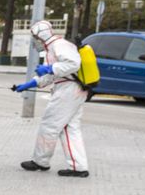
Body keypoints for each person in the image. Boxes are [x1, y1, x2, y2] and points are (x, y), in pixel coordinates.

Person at [13, 19, 90, 177]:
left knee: (49, 125)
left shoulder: (59, 45)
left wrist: (50, 67)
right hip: (73, 89)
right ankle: (79, 167)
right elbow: (50, 76)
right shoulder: (52, 48)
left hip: (68, 90)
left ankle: (40, 161)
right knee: (70, 128)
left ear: (41, 36)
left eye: (35, 37)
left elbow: (73, 64)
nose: (35, 41)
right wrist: (30, 84)